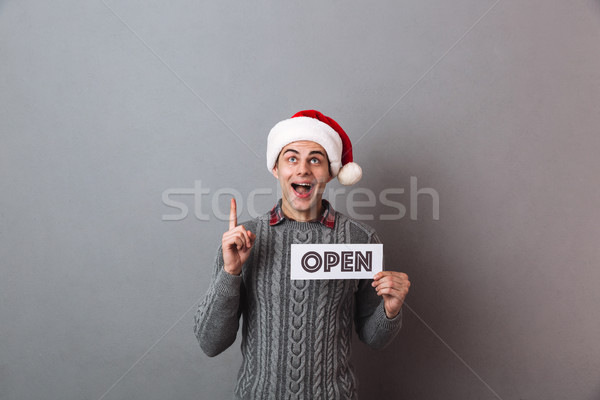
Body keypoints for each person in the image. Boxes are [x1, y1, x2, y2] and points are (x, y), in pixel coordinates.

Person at [194, 110, 411, 400]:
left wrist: (390, 310)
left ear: (331, 172)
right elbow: (211, 342)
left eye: (315, 160)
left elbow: (373, 338)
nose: (303, 170)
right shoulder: (242, 241)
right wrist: (230, 273)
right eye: (292, 158)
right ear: (276, 168)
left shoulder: (360, 240)